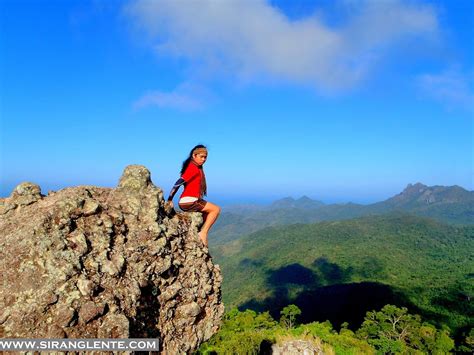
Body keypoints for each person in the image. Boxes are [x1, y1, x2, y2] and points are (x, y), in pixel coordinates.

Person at [166, 145, 220, 246]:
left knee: (207, 213)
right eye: (201, 156)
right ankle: (203, 233)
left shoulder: (194, 167)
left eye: (205, 157)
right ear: (194, 155)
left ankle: (199, 231)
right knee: (215, 210)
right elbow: (178, 182)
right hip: (189, 201)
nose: (204, 159)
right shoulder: (193, 168)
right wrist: (169, 199)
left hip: (188, 201)